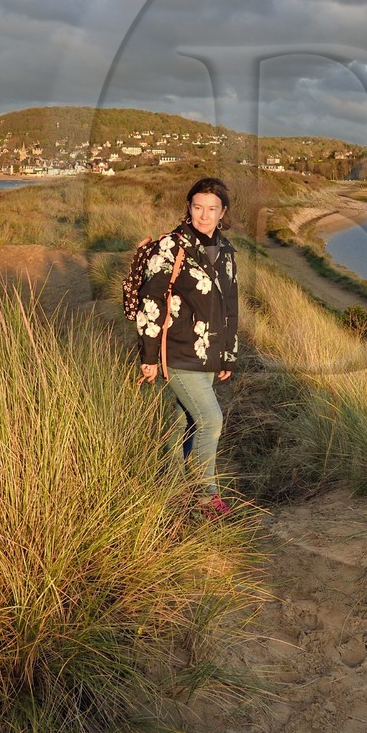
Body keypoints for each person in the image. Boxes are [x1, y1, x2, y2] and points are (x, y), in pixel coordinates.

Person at [134, 176, 239, 516]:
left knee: (185, 422)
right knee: (211, 421)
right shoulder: (170, 247)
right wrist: (148, 357)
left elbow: (229, 305)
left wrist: (227, 354)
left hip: (208, 353)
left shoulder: (225, 251)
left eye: (212, 209)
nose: (204, 216)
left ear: (223, 212)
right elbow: (150, 304)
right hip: (177, 351)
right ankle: (205, 497)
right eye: (198, 208)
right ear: (189, 208)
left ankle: (172, 489)